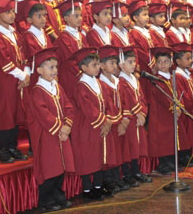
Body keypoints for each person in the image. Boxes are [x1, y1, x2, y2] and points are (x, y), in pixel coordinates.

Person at [27, 47, 75, 212]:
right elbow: (43, 114)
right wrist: (61, 128)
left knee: (61, 167)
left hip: (61, 134)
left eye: (56, 67)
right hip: (47, 136)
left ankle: (58, 195)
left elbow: (68, 107)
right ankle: (45, 200)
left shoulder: (58, 87)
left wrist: (67, 125)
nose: (55, 71)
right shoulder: (37, 91)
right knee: (50, 169)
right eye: (51, 67)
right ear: (39, 70)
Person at [0, 0, 30, 163]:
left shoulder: (15, 34)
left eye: (12, 12)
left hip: (18, 79)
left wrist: (26, 74)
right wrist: (23, 75)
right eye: (7, 12)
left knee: (16, 112)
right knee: (6, 113)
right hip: (4, 80)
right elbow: (4, 62)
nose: (12, 15)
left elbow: (24, 56)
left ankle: (12, 147)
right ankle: (2, 150)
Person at [70, 47, 112, 200]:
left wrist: (108, 120)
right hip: (86, 127)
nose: (98, 67)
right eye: (94, 65)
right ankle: (87, 189)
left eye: (98, 64)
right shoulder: (81, 86)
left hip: (99, 125)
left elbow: (108, 103)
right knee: (87, 158)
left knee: (98, 156)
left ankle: (98, 186)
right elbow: (88, 108)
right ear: (83, 67)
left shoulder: (99, 84)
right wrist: (104, 121)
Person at [145, 46, 185, 174]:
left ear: (171, 62)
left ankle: (171, 161)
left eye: (166, 61)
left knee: (172, 138)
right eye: (160, 62)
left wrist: (180, 106)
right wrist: (174, 107)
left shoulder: (173, 78)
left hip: (173, 112)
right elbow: (162, 96)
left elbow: (180, 92)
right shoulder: (156, 80)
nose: (163, 65)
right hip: (161, 114)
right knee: (163, 139)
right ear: (156, 64)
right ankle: (163, 164)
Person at [116, 45, 152, 185]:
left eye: (134, 61)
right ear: (121, 64)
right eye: (130, 62)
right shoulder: (121, 81)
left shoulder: (134, 79)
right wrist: (138, 114)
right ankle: (127, 173)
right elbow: (127, 100)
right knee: (129, 147)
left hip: (138, 119)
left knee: (138, 146)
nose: (134, 64)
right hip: (130, 119)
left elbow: (142, 98)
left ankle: (136, 171)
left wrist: (143, 114)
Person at [98, 45, 129, 194]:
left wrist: (125, 119)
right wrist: (118, 121)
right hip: (110, 123)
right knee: (109, 153)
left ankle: (118, 177)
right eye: (112, 63)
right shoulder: (101, 84)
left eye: (116, 63)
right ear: (102, 66)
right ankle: (109, 180)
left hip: (119, 122)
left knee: (119, 152)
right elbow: (107, 106)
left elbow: (125, 102)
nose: (115, 66)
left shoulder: (117, 82)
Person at [53, 0, 86, 100]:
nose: (80, 18)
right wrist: (84, 72)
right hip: (70, 77)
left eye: (80, 15)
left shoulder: (82, 36)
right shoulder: (64, 38)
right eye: (76, 16)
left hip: (84, 75)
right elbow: (69, 60)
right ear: (66, 18)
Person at [127, 0, 154, 73]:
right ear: (135, 18)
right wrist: (153, 63)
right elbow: (141, 52)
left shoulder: (149, 31)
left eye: (148, 15)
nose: (147, 17)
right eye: (144, 15)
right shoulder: (134, 33)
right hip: (145, 67)